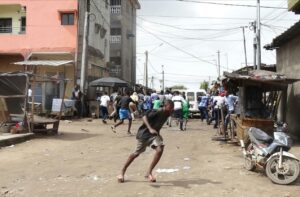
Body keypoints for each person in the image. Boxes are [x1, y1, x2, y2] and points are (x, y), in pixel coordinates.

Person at [117, 100, 174, 183]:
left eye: (172, 107)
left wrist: (157, 132)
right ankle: (122, 171)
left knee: (160, 149)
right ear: (165, 106)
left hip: (154, 135)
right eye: (170, 107)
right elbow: (144, 116)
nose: (172, 109)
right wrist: (150, 128)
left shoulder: (168, 113)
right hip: (144, 134)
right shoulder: (157, 111)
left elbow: (159, 123)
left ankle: (149, 172)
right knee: (136, 154)